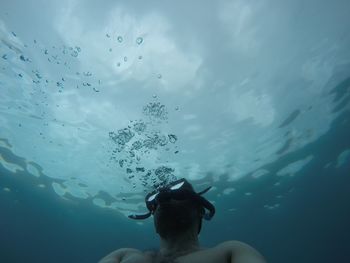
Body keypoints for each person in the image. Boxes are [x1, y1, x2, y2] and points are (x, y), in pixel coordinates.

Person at [99, 178, 266, 263]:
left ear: (200, 210)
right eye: (156, 200)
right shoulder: (123, 255)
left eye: (177, 193)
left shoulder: (231, 252)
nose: (164, 199)